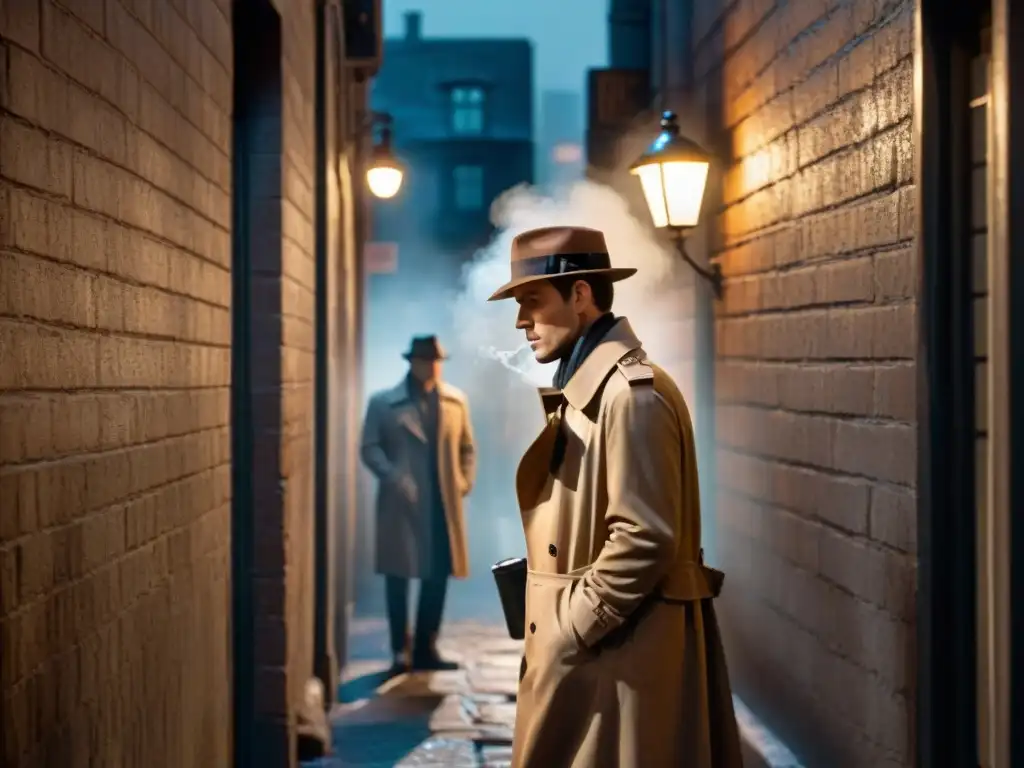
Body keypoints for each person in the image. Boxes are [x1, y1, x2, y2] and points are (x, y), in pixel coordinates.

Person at [487, 226, 742, 767]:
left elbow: (644, 536)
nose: (520, 321)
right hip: (599, 654)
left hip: (621, 657)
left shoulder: (630, 397)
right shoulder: (589, 388)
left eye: (532, 300)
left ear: (580, 295)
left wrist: (571, 627)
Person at [360, 335, 477, 672]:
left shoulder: (456, 402)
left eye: (436, 361)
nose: (431, 366)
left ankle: (427, 647)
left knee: (437, 576)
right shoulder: (383, 403)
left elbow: (467, 449)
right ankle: (400, 650)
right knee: (398, 577)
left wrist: (462, 482)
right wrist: (394, 476)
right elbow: (369, 447)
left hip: (441, 504)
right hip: (402, 506)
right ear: (411, 362)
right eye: (425, 360)